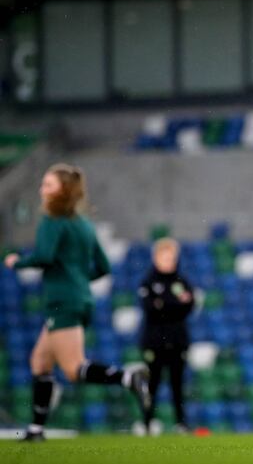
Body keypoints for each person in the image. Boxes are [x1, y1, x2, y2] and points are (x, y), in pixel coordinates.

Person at [3, 163, 151, 442]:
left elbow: (44, 257)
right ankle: (36, 430)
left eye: (48, 185)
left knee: (73, 369)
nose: (42, 189)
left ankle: (127, 378)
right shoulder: (83, 224)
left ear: (63, 190)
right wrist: (78, 280)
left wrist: (16, 262)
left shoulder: (52, 220)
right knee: (40, 361)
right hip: (79, 298)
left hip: (62, 301)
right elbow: (104, 266)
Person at [138, 237, 194, 435]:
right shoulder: (148, 281)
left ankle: (181, 423)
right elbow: (150, 309)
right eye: (164, 257)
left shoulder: (182, 281)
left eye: (172, 257)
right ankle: (147, 423)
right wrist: (175, 304)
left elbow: (189, 305)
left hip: (178, 340)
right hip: (154, 341)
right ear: (155, 258)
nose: (168, 261)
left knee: (177, 384)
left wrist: (164, 304)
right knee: (152, 384)